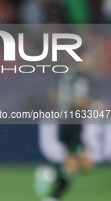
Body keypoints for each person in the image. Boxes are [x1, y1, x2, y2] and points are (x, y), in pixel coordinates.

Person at [38, 46, 105, 201]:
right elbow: (76, 100)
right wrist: (94, 105)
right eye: (89, 56)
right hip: (73, 124)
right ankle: (50, 176)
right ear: (81, 57)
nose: (91, 60)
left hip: (65, 122)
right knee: (84, 164)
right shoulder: (81, 78)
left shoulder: (65, 74)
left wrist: (64, 106)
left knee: (76, 164)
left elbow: (52, 95)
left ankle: (52, 194)